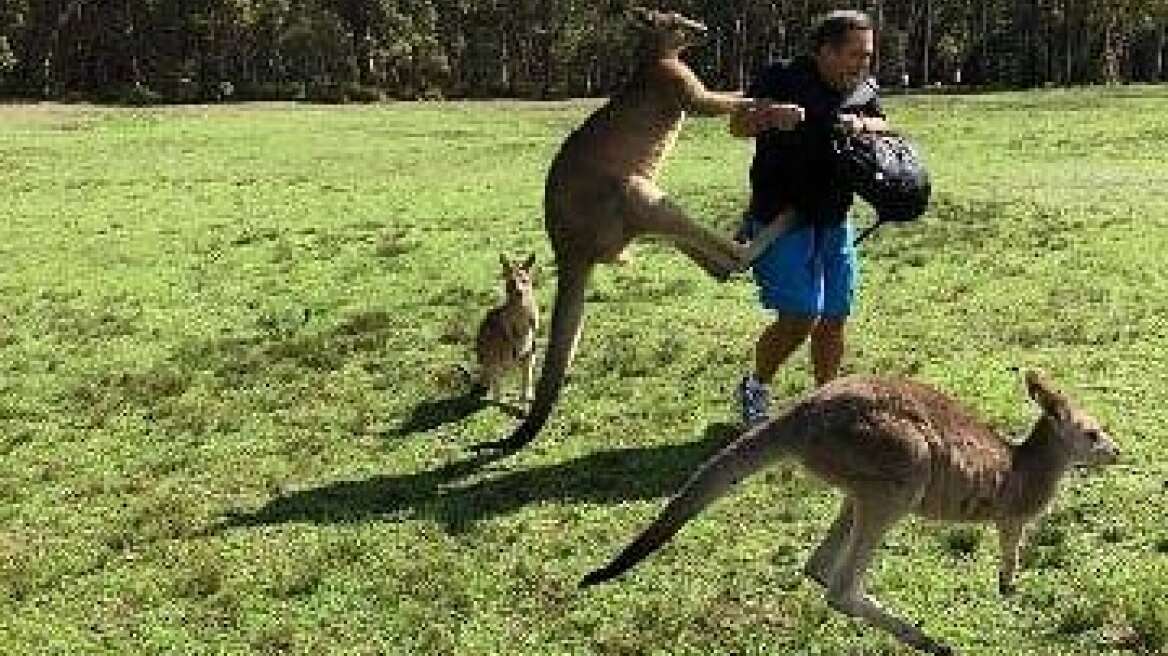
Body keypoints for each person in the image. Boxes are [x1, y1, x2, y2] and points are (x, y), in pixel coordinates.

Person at [728, 10, 889, 426]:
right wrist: (769, 115)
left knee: (834, 317)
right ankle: (756, 386)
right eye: (856, 54)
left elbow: (883, 124)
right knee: (800, 316)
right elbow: (737, 125)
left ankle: (825, 403)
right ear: (825, 51)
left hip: (834, 216)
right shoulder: (781, 77)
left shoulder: (860, 89)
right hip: (781, 217)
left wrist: (861, 124)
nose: (863, 64)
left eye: (868, 55)